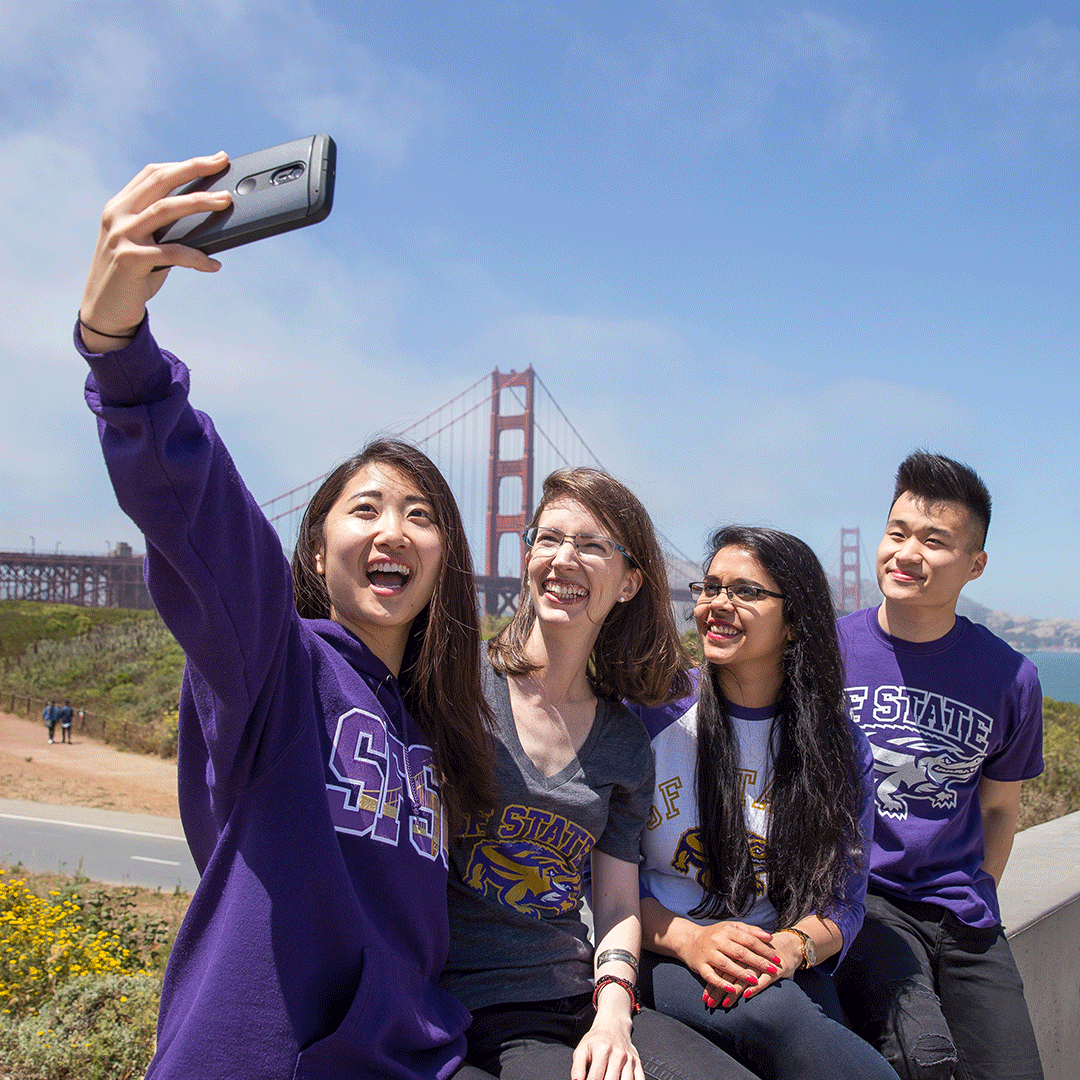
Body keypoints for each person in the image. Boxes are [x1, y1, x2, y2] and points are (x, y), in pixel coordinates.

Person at [75, 153, 497, 1079]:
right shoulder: (275, 665)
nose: (396, 530)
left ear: (444, 563)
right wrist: (119, 348)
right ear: (314, 552)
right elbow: (205, 528)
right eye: (367, 508)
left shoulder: (439, 731)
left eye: (423, 515)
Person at [442, 470, 756, 1080]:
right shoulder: (457, 690)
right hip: (479, 1003)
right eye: (548, 539)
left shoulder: (623, 742)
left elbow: (614, 901)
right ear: (527, 553)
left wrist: (612, 1011)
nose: (563, 560)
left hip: (579, 991)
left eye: (591, 545)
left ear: (631, 582)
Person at [628, 526, 898, 1080]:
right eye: (709, 588)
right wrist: (691, 939)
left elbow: (844, 902)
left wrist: (787, 951)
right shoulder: (650, 715)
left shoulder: (837, 746)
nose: (717, 605)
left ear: (795, 621)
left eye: (746, 592)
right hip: (665, 956)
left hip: (781, 966)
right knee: (791, 1031)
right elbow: (606, 882)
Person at [833, 451, 1044, 1080]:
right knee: (922, 1056)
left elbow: (1001, 807)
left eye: (934, 541)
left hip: (962, 914)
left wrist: (975, 887)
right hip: (862, 899)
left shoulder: (1011, 677)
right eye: (896, 533)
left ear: (975, 565)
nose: (906, 553)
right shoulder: (825, 651)